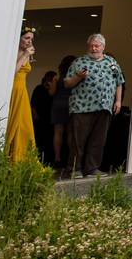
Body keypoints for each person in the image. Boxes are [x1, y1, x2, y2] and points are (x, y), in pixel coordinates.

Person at [63, 33, 125, 178]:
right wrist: (78, 77)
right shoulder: (79, 62)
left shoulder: (111, 62)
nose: (93, 48)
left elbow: (119, 82)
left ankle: (92, 168)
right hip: (82, 106)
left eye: (97, 45)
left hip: (104, 107)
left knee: (98, 140)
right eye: (91, 45)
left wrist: (118, 101)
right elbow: (67, 83)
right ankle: (74, 169)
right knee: (78, 140)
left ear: (103, 47)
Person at [6, 29, 37, 162]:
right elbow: (11, 71)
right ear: (18, 38)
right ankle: (9, 157)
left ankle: (23, 158)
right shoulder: (12, 52)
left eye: (31, 39)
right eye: (26, 38)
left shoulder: (26, 52)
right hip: (14, 89)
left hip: (22, 91)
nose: (29, 41)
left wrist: (27, 55)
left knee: (24, 125)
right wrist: (25, 55)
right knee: (13, 122)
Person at [51, 55, 77, 168]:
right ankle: (70, 158)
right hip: (71, 104)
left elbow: (51, 93)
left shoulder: (57, 77)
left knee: (58, 132)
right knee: (70, 133)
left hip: (57, 105)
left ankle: (57, 158)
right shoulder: (75, 77)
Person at [30, 70, 57, 163]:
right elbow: (33, 103)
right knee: (39, 140)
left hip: (50, 118)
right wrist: (35, 114)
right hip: (39, 118)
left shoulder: (54, 90)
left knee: (49, 140)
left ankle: (49, 160)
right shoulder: (39, 88)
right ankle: (39, 159)